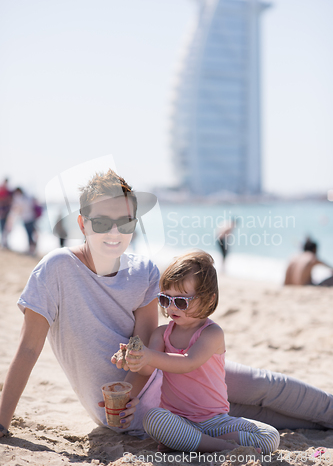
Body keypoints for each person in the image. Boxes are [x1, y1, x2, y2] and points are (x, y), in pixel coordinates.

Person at [1, 169, 333, 440]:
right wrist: (2, 422)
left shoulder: (143, 271)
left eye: (125, 223)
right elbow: (29, 349)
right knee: (256, 414)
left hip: (169, 372)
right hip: (142, 412)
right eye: (101, 222)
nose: (114, 233)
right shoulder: (55, 268)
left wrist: (132, 385)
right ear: (82, 223)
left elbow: (148, 347)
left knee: (267, 387)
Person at [124, 251, 280, 453]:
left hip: (215, 422)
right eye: (165, 299)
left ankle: (194, 442)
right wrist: (133, 358)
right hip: (178, 419)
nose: (172, 307)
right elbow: (147, 369)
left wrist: (149, 356)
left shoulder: (212, 333)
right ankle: (219, 446)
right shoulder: (161, 333)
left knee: (270, 437)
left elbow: (188, 362)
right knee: (153, 418)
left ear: (208, 300)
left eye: (181, 301)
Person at [9, 188, 39, 254]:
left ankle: (31, 248)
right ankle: (33, 248)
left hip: (26, 218)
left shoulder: (21, 199)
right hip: (31, 217)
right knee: (32, 233)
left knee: (29, 234)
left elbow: (19, 209)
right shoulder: (28, 198)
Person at [0, 178, 13, 248]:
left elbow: (11, 200)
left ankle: (5, 242)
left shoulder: (9, 191)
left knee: (7, 228)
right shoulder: (1, 190)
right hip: (2, 212)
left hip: (7, 212)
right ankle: (3, 242)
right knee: (2, 228)